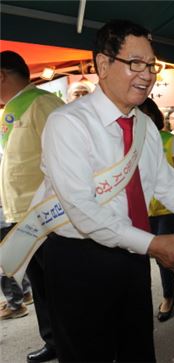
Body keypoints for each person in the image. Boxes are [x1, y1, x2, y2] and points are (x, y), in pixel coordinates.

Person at [28, 20, 174, 362]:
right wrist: (155, 244)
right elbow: (82, 210)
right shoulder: (68, 123)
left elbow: (167, 186)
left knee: (137, 346)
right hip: (78, 258)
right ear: (102, 64)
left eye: (151, 65)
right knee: (87, 353)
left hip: (132, 251)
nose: (147, 74)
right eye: (135, 63)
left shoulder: (143, 124)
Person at [0, 50, 63, 362]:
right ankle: (53, 341)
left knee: (59, 284)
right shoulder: (10, 111)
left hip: (47, 215)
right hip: (21, 216)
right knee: (40, 284)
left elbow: (66, 158)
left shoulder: (43, 103)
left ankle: (73, 342)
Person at [139, 98, 174, 322]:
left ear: (155, 117)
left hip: (166, 208)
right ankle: (163, 293)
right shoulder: (128, 142)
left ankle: (169, 295)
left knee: (161, 255)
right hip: (140, 208)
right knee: (139, 255)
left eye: (146, 114)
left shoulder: (169, 141)